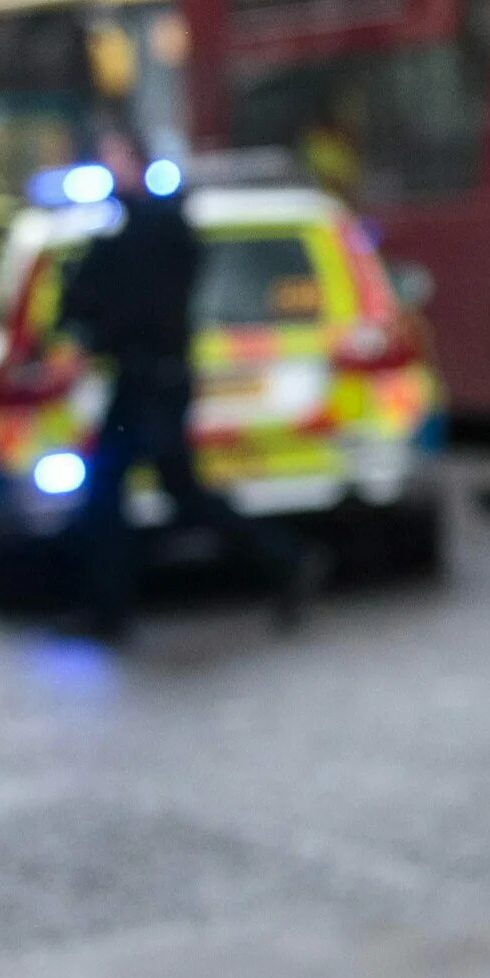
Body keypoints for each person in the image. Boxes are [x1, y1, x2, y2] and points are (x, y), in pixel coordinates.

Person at [59, 134, 317, 641]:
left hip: (155, 379)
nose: (111, 169)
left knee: (162, 491)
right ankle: (111, 607)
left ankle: (283, 560)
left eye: (118, 158)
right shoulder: (123, 226)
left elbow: (135, 304)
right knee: (117, 492)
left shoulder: (155, 226)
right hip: (138, 380)